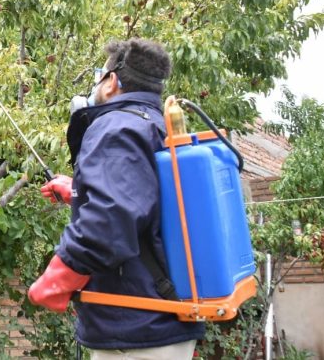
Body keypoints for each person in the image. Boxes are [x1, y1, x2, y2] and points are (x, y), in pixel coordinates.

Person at [28, 38, 204, 359]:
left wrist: (56, 279)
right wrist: (78, 193)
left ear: (112, 82)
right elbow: (145, 203)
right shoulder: (155, 125)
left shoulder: (116, 126)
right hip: (161, 321)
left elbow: (109, 225)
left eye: (99, 74)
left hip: (137, 330)